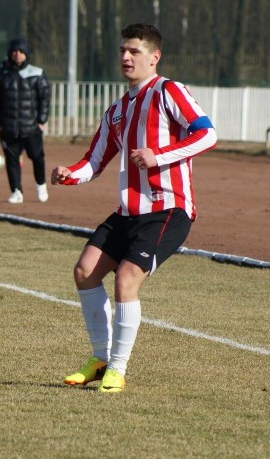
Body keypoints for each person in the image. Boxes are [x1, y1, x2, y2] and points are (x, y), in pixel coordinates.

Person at [52, 23, 217, 393]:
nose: (126, 57)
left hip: (167, 209)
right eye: (123, 50)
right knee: (84, 272)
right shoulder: (116, 110)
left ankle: (118, 369)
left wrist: (157, 156)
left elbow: (207, 133)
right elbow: (93, 162)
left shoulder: (168, 91)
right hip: (128, 211)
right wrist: (67, 174)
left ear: (154, 57)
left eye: (135, 51)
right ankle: (100, 359)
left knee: (127, 278)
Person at [0, 37, 50, 204]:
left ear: (26, 54)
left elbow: (44, 98)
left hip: (31, 127)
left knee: (37, 157)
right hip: (8, 127)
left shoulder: (37, 73)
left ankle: (41, 186)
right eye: (14, 51)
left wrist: (41, 120)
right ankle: (16, 191)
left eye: (21, 51)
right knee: (12, 161)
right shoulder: (0, 73)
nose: (17, 54)